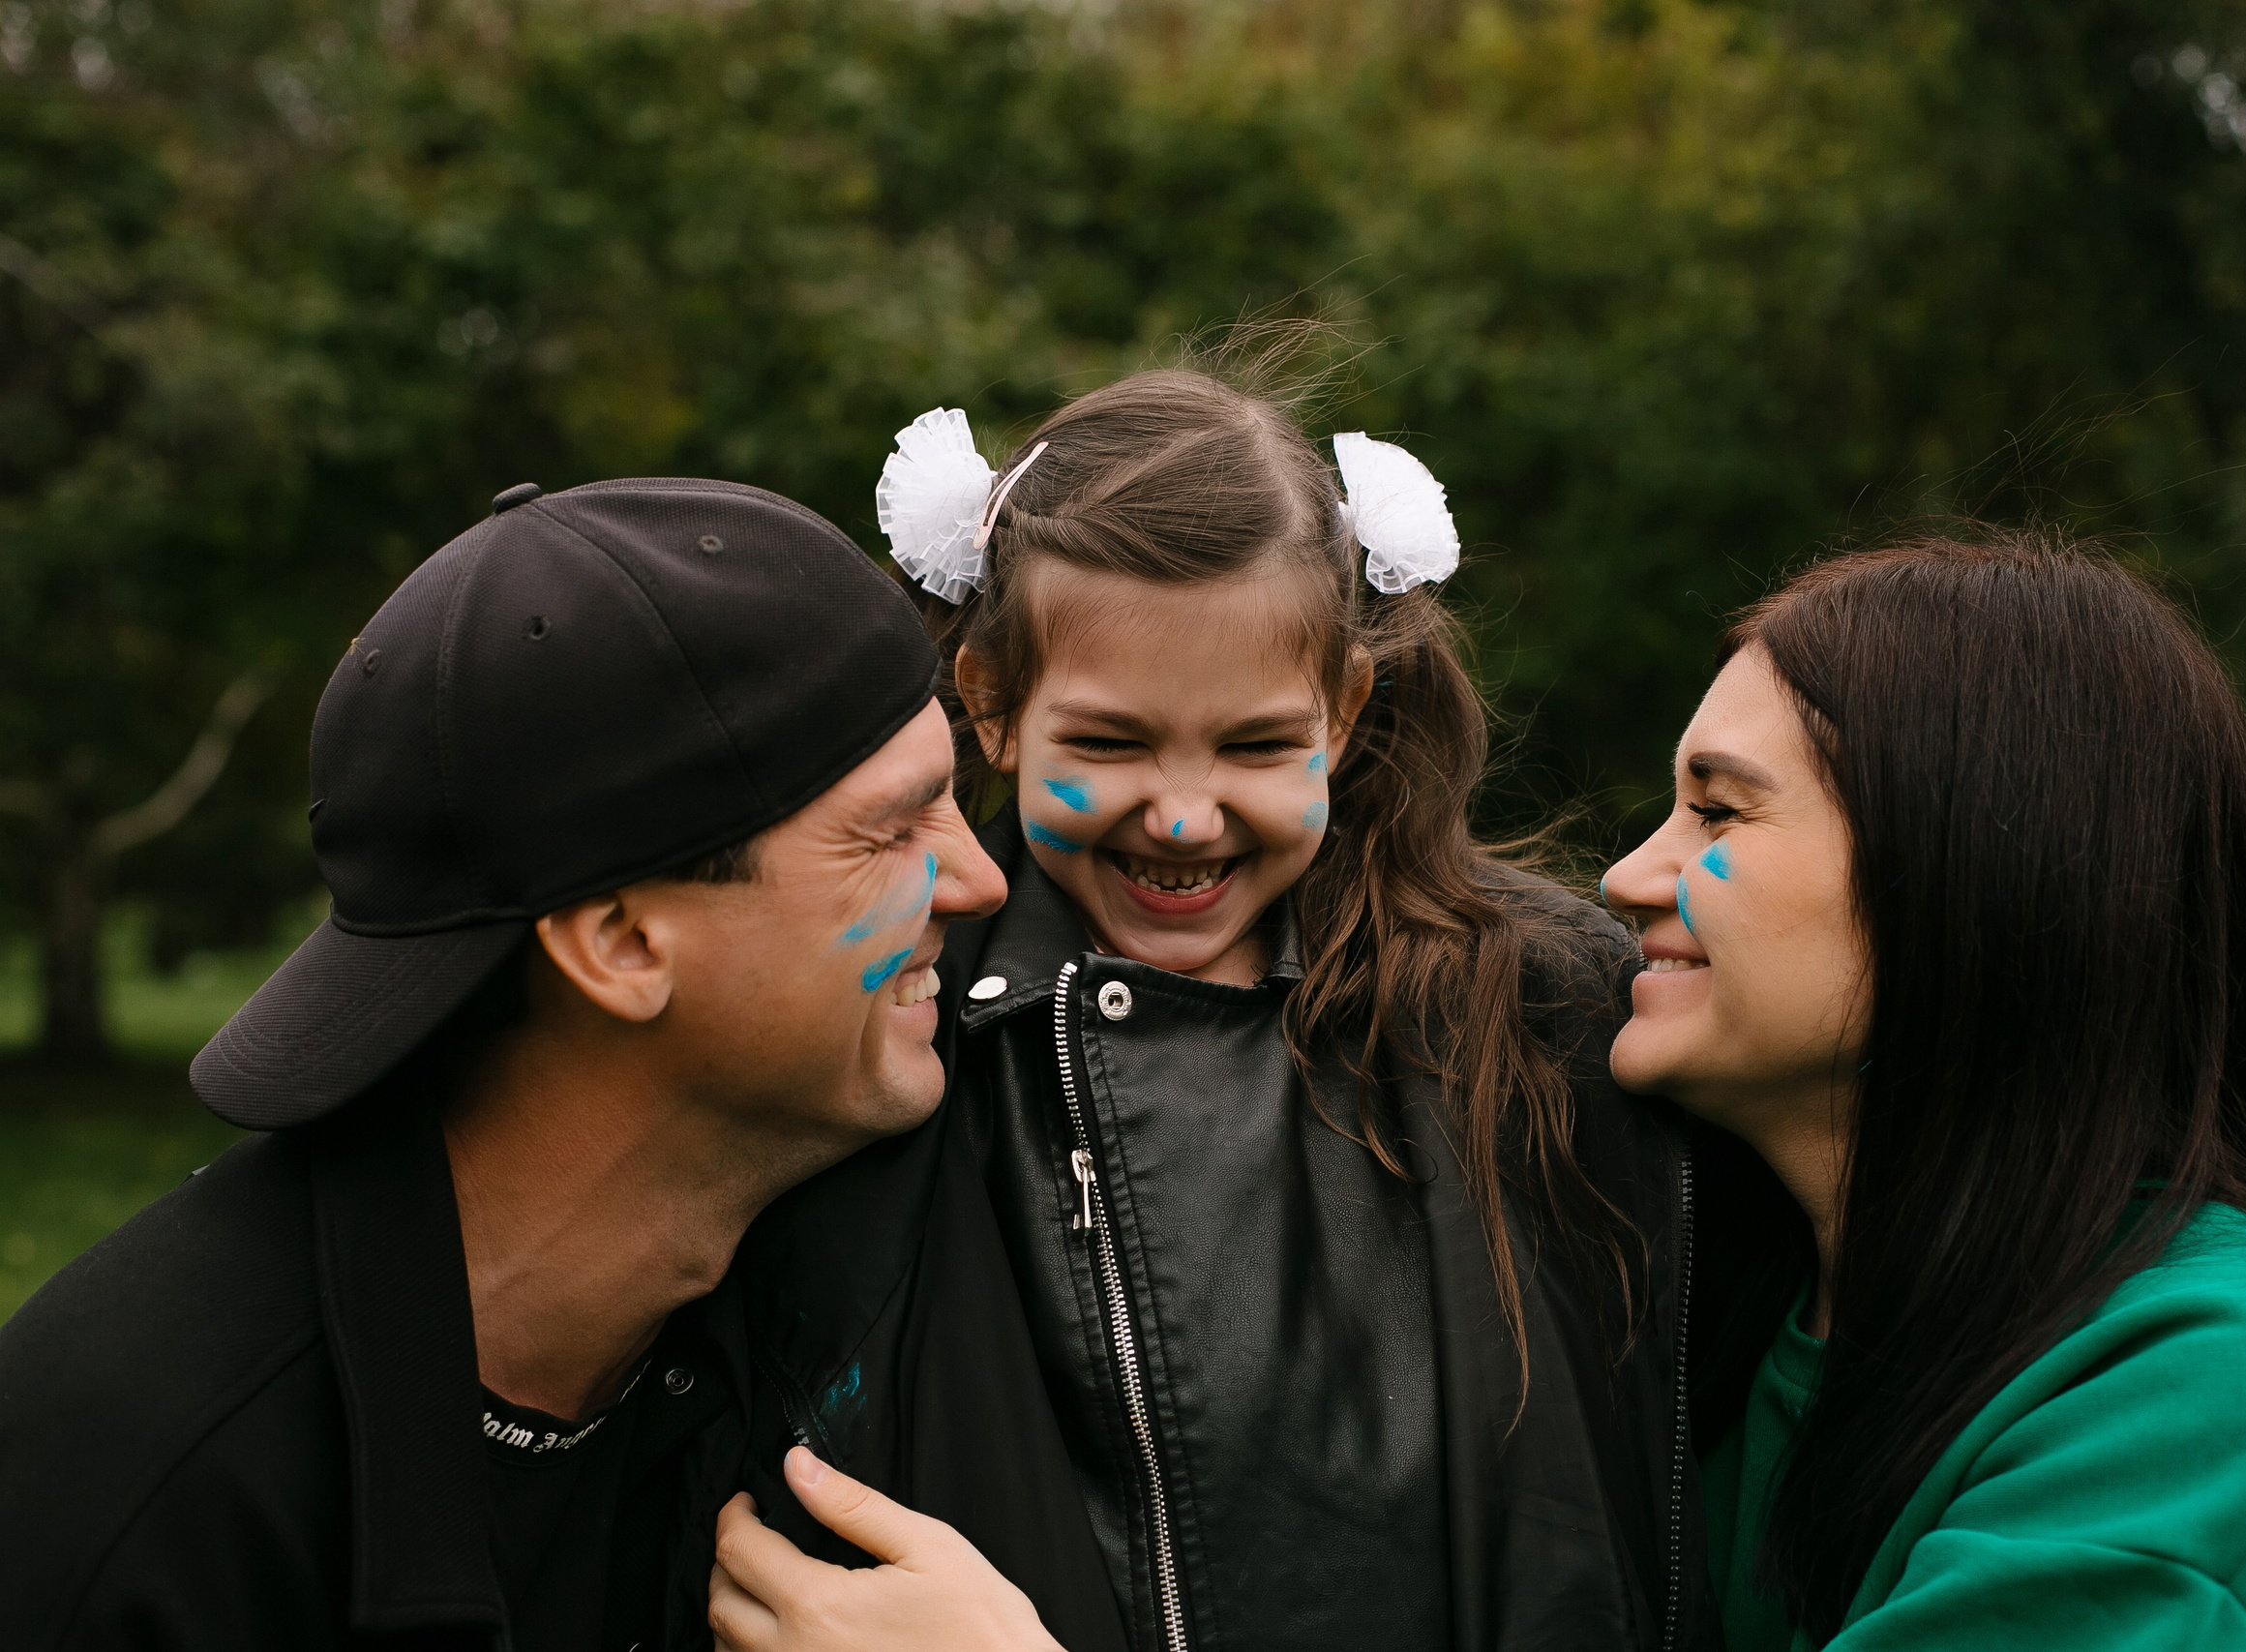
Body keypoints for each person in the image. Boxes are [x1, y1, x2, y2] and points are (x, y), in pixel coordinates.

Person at [708, 350, 1798, 1652]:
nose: (1183, 815)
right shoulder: (885, 1030)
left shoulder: (1549, 1015)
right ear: (991, 707)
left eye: (1257, 745)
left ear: (1343, 711)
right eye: (1109, 742)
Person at [0, 477, 1030, 1649]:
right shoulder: (142, 1512)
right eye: (893, 830)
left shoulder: (833, 1300)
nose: (978, 881)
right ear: (622, 944)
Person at [1596, 534, 2246, 1649]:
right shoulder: (1705, 1297)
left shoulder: (2224, 1376)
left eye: (1718, 812)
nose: (1625, 878)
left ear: (1961, 865)